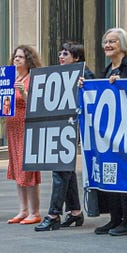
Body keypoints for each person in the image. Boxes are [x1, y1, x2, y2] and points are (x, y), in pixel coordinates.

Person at [92, 28, 127, 236]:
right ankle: (115, 218)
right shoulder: (107, 70)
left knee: (125, 176)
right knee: (111, 175)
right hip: (110, 135)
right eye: (105, 41)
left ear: (122, 45)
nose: (108, 45)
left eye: (112, 41)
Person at [36, 41, 92, 231]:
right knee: (65, 170)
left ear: (76, 57)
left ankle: (53, 214)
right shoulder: (60, 75)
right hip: (62, 127)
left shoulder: (85, 74)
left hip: (72, 128)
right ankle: (75, 212)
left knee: (60, 170)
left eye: (65, 54)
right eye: (60, 53)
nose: (61, 56)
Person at [5, 45, 43, 224]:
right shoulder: (10, 78)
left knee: (27, 168)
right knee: (16, 168)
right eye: (15, 56)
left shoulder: (32, 78)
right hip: (12, 127)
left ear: (28, 60)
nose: (17, 59)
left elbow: (37, 103)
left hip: (26, 125)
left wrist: (23, 92)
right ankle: (23, 209)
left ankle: (34, 211)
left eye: (20, 57)